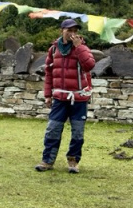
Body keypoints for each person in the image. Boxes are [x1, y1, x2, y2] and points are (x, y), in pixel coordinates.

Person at [37, 18, 96, 174]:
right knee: (53, 130)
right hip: (60, 98)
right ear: (61, 31)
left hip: (79, 98)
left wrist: (79, 48)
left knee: (77, 132)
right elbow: (49, 73)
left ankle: (73, 161)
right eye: (69, 30)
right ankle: (47, 161)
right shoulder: (53, 50)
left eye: (75, 31)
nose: (72, 34)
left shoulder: (82, 48)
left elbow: (89, 65)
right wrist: (48, 95)